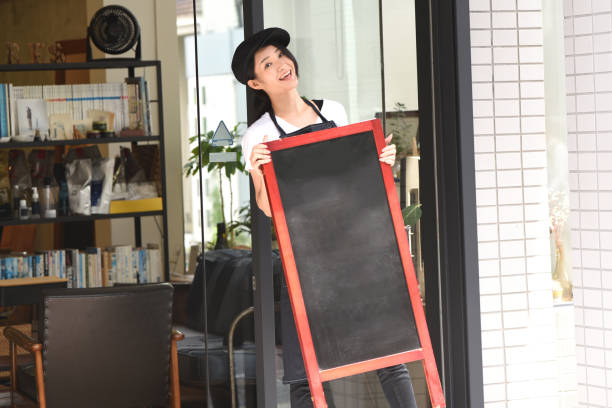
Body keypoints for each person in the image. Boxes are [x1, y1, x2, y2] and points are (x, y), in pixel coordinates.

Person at [231, 27, 418, 408]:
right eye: (269, 64)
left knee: (389, 356)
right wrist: (258, 172)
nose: (282, 64)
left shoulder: (332, 111)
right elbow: (268, 209)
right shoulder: (258, 136)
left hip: (356, 251)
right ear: (255, 82)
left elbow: (353, 175)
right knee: (305, 375)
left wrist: (380, 160)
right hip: (306, 263)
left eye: (282, 55)